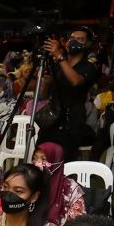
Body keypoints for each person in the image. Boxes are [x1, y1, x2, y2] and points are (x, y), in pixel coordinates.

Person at [38, 26, 98, 160]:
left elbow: (76, 81)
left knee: (63, 159)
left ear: (87, 44)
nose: (74, 41)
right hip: (52, 118)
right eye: (72, 38)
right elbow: (44, 94)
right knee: (41, 154)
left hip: (71, 121)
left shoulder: (89, 65)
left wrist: (60, 57)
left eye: (80, 39)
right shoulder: (58, 63)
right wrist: (46, 83)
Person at [31, 142, 86, 226]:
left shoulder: (70, 188)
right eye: (34, 159)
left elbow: (78, 223)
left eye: (43, 159)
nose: (37, 163)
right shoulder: (30, 182)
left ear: (56, 161)